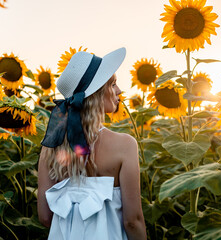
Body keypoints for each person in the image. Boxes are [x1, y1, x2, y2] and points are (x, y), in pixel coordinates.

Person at [37, 47, 147, 240]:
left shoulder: (50, 146)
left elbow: (45, 216)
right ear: (96, 93)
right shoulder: (125, 145)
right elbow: (133, 221)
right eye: (112, 84)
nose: (119, 91)